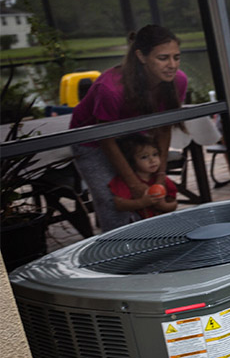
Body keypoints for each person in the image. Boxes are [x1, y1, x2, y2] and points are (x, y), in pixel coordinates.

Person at [70, 25, 187, 232]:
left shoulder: (178, 81)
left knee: (153, 195)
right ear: (141, 56)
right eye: (163, 58)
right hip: (93, 142)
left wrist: (160, 174)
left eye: (176, 57)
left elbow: (163, 129)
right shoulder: (110, 89)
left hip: (134, 136)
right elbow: (106, 139)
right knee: (115, 202)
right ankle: (116, 250)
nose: (172, 65)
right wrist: (133, 183)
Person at [108, 133, 177, 220]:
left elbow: (173, 203)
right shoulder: (123, 182)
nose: (152, 160)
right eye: (144, 157)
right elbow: (119, 204)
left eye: (155, 154)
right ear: (131, 161)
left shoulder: (163, 180)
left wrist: (164, 206)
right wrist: (142, 203)